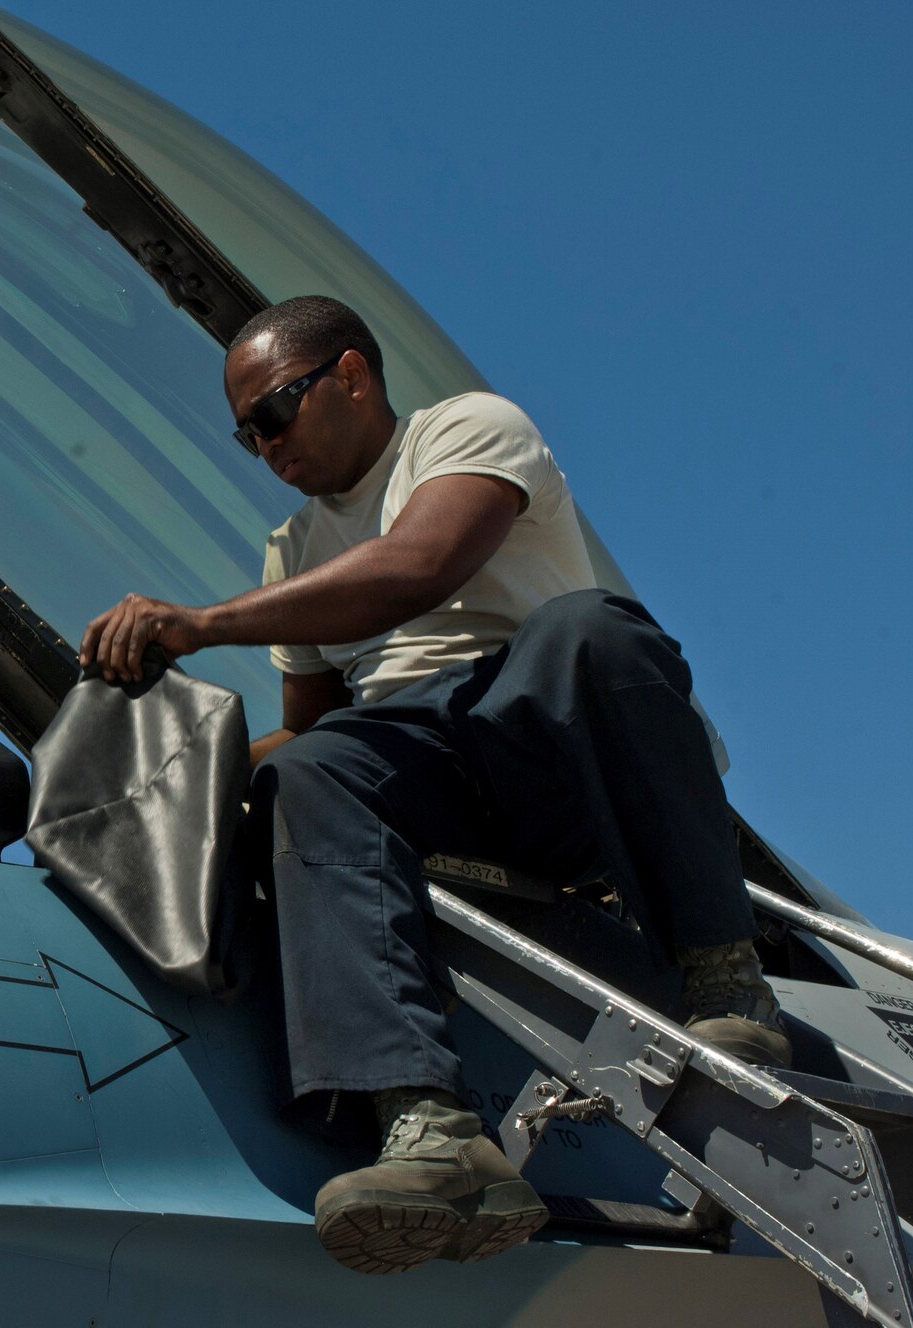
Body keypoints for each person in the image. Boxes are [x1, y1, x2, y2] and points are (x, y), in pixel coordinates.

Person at [79, 295, 788, 1276]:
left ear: (350, 376)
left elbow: (416, 566)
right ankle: (427, 1129)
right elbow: (315, 724)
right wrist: (172, 777)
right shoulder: (291, 550)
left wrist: (201, 623)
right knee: (304, 766)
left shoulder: (468, 428)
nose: (264, 447)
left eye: (273, 415)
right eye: (246, 436)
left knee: (589, 628)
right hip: (425, 772)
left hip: (551, 744)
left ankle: (724, 979)